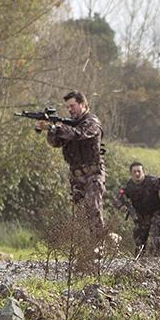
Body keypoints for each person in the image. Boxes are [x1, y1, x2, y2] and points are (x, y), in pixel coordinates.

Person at [38, 91, 105, 240]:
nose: (70, 109)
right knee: (80, 213)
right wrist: (50, 129)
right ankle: (84, 250)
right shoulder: (68, 125)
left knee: (93, 208)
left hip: (92, 174)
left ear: (82, 104)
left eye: (72, 106)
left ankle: (99, 245)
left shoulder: (91, 122)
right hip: (76, 176)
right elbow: (55, 143)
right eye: (67, 107)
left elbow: (78, 134)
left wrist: (54, 128)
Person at [117, 161, 160, 256]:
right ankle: (139, 263)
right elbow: (118, 201)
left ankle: (154, 261)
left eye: (139, 171)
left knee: (154, 239)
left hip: (155, 214)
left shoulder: (152, 182)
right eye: (134, 172)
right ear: (131, 173)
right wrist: (124, 207)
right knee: (139, 242)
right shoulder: (128, 187)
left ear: (143, 172)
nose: (137, 174)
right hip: (140, 218)